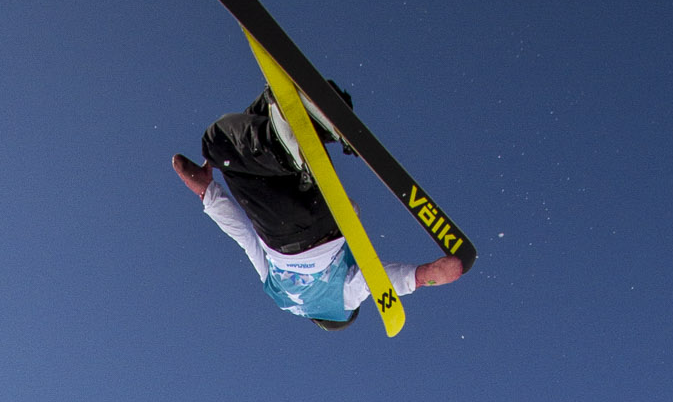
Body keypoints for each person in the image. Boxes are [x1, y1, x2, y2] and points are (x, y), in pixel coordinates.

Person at [172, 100, 465, 331]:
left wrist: (421, 276)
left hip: (324, 214)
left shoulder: (336, 299)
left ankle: (300, 113)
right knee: (219, 143)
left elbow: (371, 280)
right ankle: (289, 137)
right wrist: (207, 192)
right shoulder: (298, 299)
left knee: (250, 135)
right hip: (284, 230)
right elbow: (244, 236)